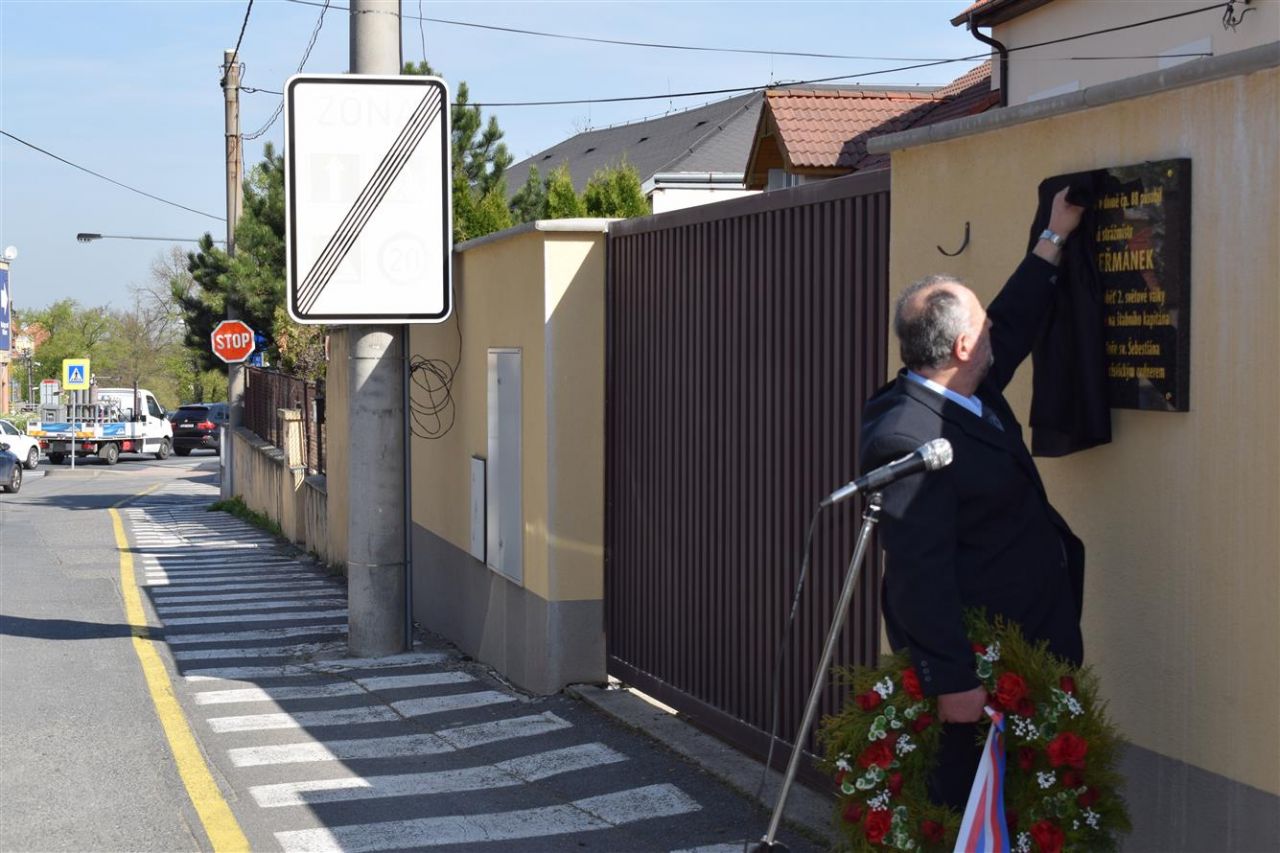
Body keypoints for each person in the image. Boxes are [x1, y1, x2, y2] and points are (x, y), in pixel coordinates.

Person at [858, 187, 1087, 809]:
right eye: (981, 326)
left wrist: (1053, 237)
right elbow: (917, 570)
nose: (993, 332)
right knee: (975, 812)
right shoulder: (906, 434)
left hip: (1034, 636)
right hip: (979, 674)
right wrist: (952, 680)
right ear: (962, 347)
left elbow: (1012, 321)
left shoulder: (962, 388)